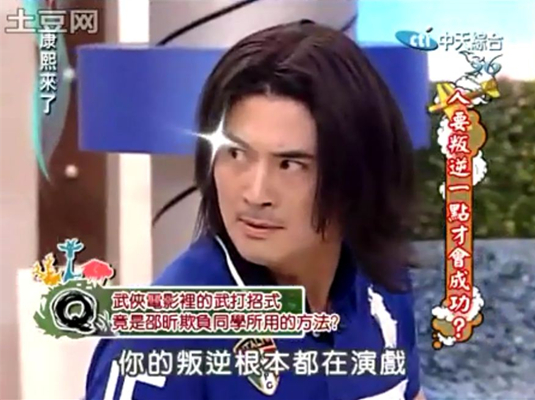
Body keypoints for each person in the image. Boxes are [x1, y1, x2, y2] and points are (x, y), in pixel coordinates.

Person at [86, 20, 425, 400]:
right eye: (235, 153)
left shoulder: (381, 282)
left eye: (290, 164)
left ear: (356, 174)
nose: (256, 193)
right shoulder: (159, 343)